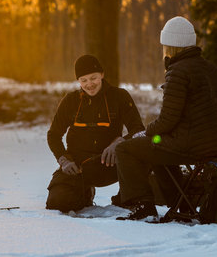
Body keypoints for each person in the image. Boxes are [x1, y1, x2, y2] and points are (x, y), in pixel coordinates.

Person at [115, 16, 217, 220]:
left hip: (190, 145)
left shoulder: (178, 71)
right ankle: (181, 201)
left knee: (125, 149)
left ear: (170, 46)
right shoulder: (212, 69)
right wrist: (153, 135)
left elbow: (168, 119)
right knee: (156, 148)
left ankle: (143, 205)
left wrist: (146, 132)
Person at [45, 54, 145, 213]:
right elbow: (53, 135)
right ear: (78, 81)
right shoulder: (70, 101)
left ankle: (124, 199)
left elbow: (139, 130)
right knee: (57, 202)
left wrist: (120, 142)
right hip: (79, 167)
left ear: (102, 75)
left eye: (93, 78)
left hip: (110, 164)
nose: (89, 84)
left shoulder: (119, 96)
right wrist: (64, 160)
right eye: (83, 80)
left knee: (142, 156)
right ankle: (84, 193)